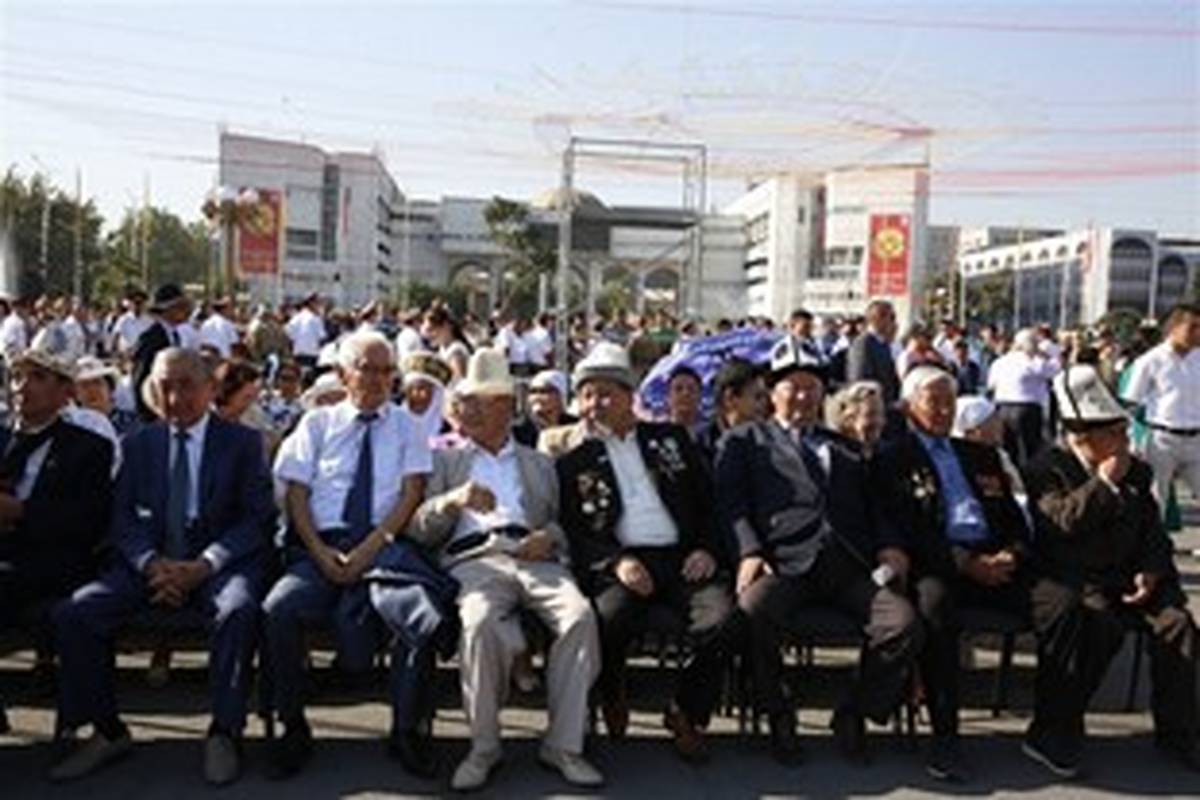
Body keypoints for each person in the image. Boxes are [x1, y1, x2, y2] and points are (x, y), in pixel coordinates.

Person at [50, 348, 273, 786]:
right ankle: (107, 731)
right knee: (76, 613)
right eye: (165, 387)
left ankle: (224, 732)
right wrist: (151, 564)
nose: (175, 398)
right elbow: (122, 519)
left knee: (239, 609)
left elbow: (256, 519)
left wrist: (204, 564)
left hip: (216, 565)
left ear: (210, 388)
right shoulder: (138, 444)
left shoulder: (242, 444)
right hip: (150, 564)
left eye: (186, 386)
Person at [876, 366, 1087, 781]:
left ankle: (1049, 728)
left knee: (1064, 605)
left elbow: (1014, 518)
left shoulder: (980, 454)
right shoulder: (892, 459)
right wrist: (965, 563)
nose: (943, 410)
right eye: (933, 402)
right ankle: (946, 739)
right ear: (909, 407)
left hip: (996, 560)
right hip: (941, 565)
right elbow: (908, 528)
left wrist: (1011, 553)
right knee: (934, 609)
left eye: (949, 402)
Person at [717, 338, 921, 767]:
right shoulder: (745, 441)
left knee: (901, 624)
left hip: (848, 566)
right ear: (772, 393)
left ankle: (854, 713)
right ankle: (778, 712)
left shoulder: (844, 446)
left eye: (812, 387)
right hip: (784, 564)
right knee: (753, 611)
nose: (803, 396)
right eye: (793, 386)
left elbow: (875, 505)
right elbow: (732, 506)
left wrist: (890, 546)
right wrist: (749, 551)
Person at [406, 349, 602, 791]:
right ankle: (484, 746)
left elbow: (564, 523)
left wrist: (549, 537)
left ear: (506, 407)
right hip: (476, 560)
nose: (467, 410)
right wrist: (452, 501)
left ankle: (564, 746)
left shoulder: (539, 462)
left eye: (480, 401)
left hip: (535, 557)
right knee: (479, 623)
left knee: (579, 617)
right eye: (464, 402)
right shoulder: (445, 461)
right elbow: (418, 530)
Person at [264, 330, 456, 780]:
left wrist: (370, 549)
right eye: (368, 369)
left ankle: (406, 730)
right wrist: (319, 551)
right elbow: (296, 493)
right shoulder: (317, 423)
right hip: (320, 546)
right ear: (344, 373)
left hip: (384, 546)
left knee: (418, 615)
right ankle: (292, 725)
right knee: (278, 609)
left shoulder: (408, 426)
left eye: (387, 371)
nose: (378, 379)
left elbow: (411, 494)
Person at [556, 342, 733, 763]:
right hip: (623, 561)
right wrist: (616, 562)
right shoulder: (574, 462)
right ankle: (612, 689)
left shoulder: (670, 439)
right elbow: (576, 532)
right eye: (586, 396)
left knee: (723, 620)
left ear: (628, 396)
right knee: (606, 618)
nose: (594, 405)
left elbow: (709, 503)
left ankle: (686, 711)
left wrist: (706, 549)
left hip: (682, 557)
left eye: (604, 394)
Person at [1027, 364, 1199, 772]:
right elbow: (1062, 522)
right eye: (1115, 434)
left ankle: (1180, 732)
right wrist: (1103, 485)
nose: (1124, 441)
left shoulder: (1137, 470)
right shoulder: (1047, 468)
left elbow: (1153, 533)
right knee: (1097, 624)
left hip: (1133, 577)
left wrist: (1151, 569)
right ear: (1083, 438)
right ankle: (1058, 728)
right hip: (1082, 579)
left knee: (1178, 626)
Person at [0, 346, 115, 728]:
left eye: (37, 378)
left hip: (54, 563)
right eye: (17, 377)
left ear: (66, 392)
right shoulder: (3, 440)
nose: (22, 387)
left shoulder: (88, 448)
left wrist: (22, 513)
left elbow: (86, 522)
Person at [1120, 303, 1200, 512]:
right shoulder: (1150, 361)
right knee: (1157, 503)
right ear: (1174, 327)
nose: (1197, 333)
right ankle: (1154, 535)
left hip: (1196, 441)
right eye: (1192, 327)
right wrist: (1131, 441)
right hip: (1162, 441)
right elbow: (1131, 402)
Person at [987, 327, 1060, 467]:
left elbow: (991, 384)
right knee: (1030, 451)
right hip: (1027, 408)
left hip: (1002, 407)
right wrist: (1045, 354)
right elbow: (1056, 369)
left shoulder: (1000, 362)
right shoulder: (1033, 362)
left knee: (1009, 449)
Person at [131, 284, 193, 422]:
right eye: (181, 306)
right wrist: (150, 416)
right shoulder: (151, 338)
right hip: (154, 416)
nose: (186, 311)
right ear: (168, 308)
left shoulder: (174, 334)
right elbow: (140, 379)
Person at [696, 358, 767, 467]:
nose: (764, 403)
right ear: (730, 399)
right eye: (757, 397)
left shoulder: (769, 442)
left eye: (765, 396)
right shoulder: (702, 447)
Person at [74, 356, 140, 436]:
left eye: (97, 382)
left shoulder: (133, 423)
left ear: (110, 388)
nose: (92, 390)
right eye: (84, 385)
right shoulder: (73, 428)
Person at [512, 369, 576, 448]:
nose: (537, 397)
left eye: (544, 391)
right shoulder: (517, 432)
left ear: (560, 396)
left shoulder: (575, 428)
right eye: (533, 392)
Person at [400, 351, 452, 445]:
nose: (415, 394)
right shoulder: (392, 422)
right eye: (411, 389)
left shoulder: (448, 428)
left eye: (421, 389)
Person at [828, 380, 886, 458]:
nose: (879, 421)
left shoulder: (887, 455)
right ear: (849, 419)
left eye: (881, 414)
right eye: (870, 414)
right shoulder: (833, 457)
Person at [284, 293, 327, 373]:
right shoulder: (316, 319)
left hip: (298, 355)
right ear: (311, 303)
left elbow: (288, 335)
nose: (318, 305)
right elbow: (322, 338)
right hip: (312, 355)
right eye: (317, 302)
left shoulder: (296, 318)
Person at [665, 364, 704, 438]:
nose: (685, 394)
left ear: (700, 397)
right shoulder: (654, 437)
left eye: (691, 389)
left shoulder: (709, 439)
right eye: (678, 389)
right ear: (668, 397)